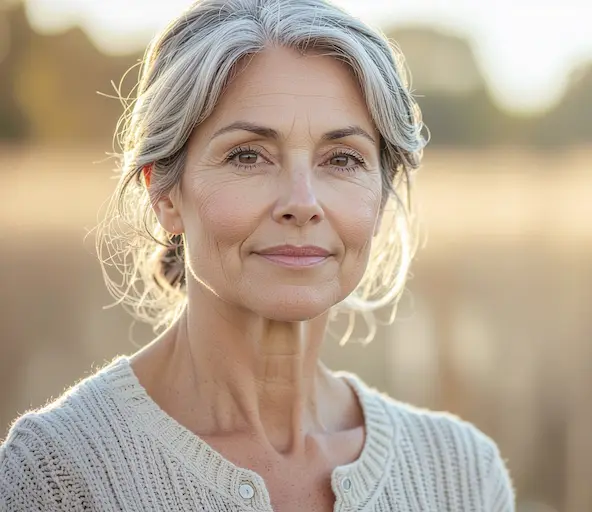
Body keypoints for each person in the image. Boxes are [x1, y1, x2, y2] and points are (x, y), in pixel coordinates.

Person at [0, 0, 515, 510]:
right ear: (165, 194)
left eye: (342, 159)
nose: (302, 203)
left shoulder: (461, 475)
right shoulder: (56, 472)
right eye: (248, 156)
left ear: (381, 198)